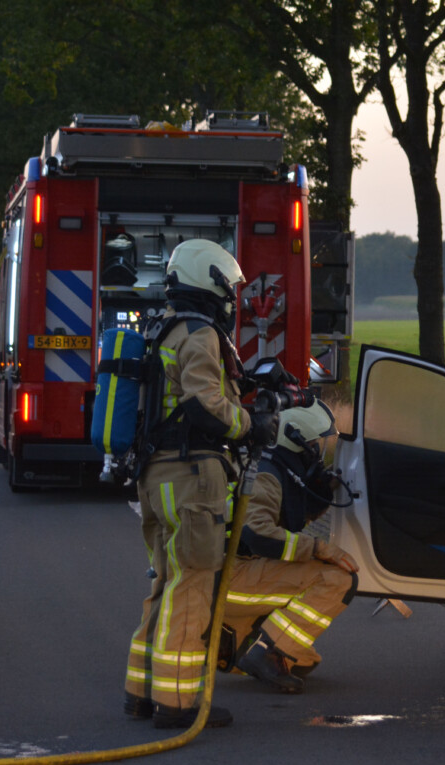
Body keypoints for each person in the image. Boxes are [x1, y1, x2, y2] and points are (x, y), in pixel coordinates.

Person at [122, 240, 254, 730]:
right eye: (229, 286)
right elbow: (205, 403)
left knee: (166, 580)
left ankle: (141, 691)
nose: (232, 298)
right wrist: (248, 423)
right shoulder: (200, 334)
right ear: (210, 280)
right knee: (192, 582)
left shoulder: (165, 329)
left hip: (158, 473)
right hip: (191, 473)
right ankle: (177, 702)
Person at [225, 400, 360, 694]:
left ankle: (257, 647)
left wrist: (323, 491)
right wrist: (319, 549)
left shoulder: (274, 466)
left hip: (231, 572)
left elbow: (287, 515)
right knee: (335, 579)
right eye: (314, 443)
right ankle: (266, 652)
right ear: (297, 442)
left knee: (304, 661)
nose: (318, 449)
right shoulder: (264, 476)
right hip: (227, 579)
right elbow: (258, 535)